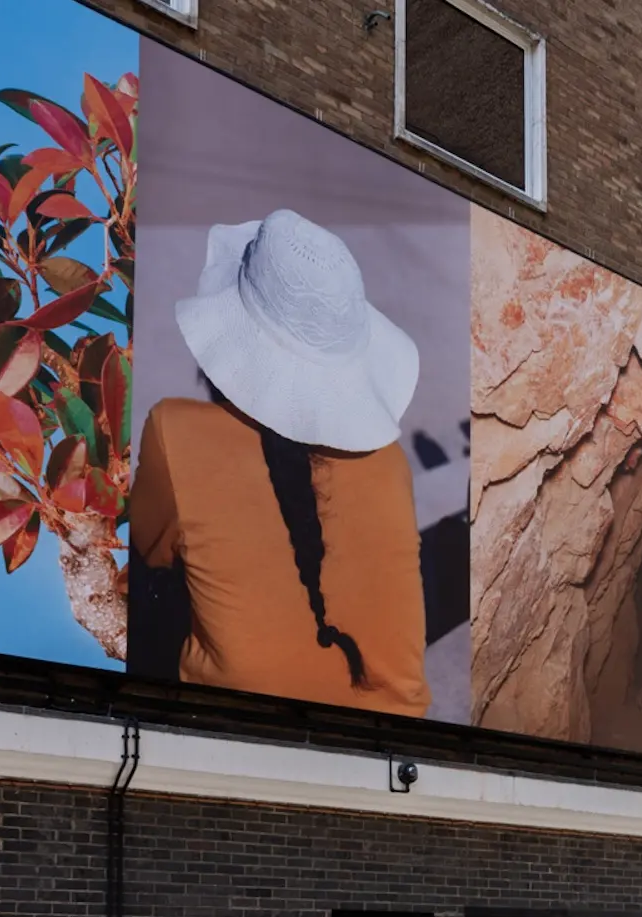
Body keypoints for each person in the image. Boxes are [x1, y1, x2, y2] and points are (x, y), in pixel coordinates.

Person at [128, 208, 431, 716]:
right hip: (395, 744)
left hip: (236, 733)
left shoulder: (175, 432)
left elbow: (143, 551)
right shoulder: (388, 460)